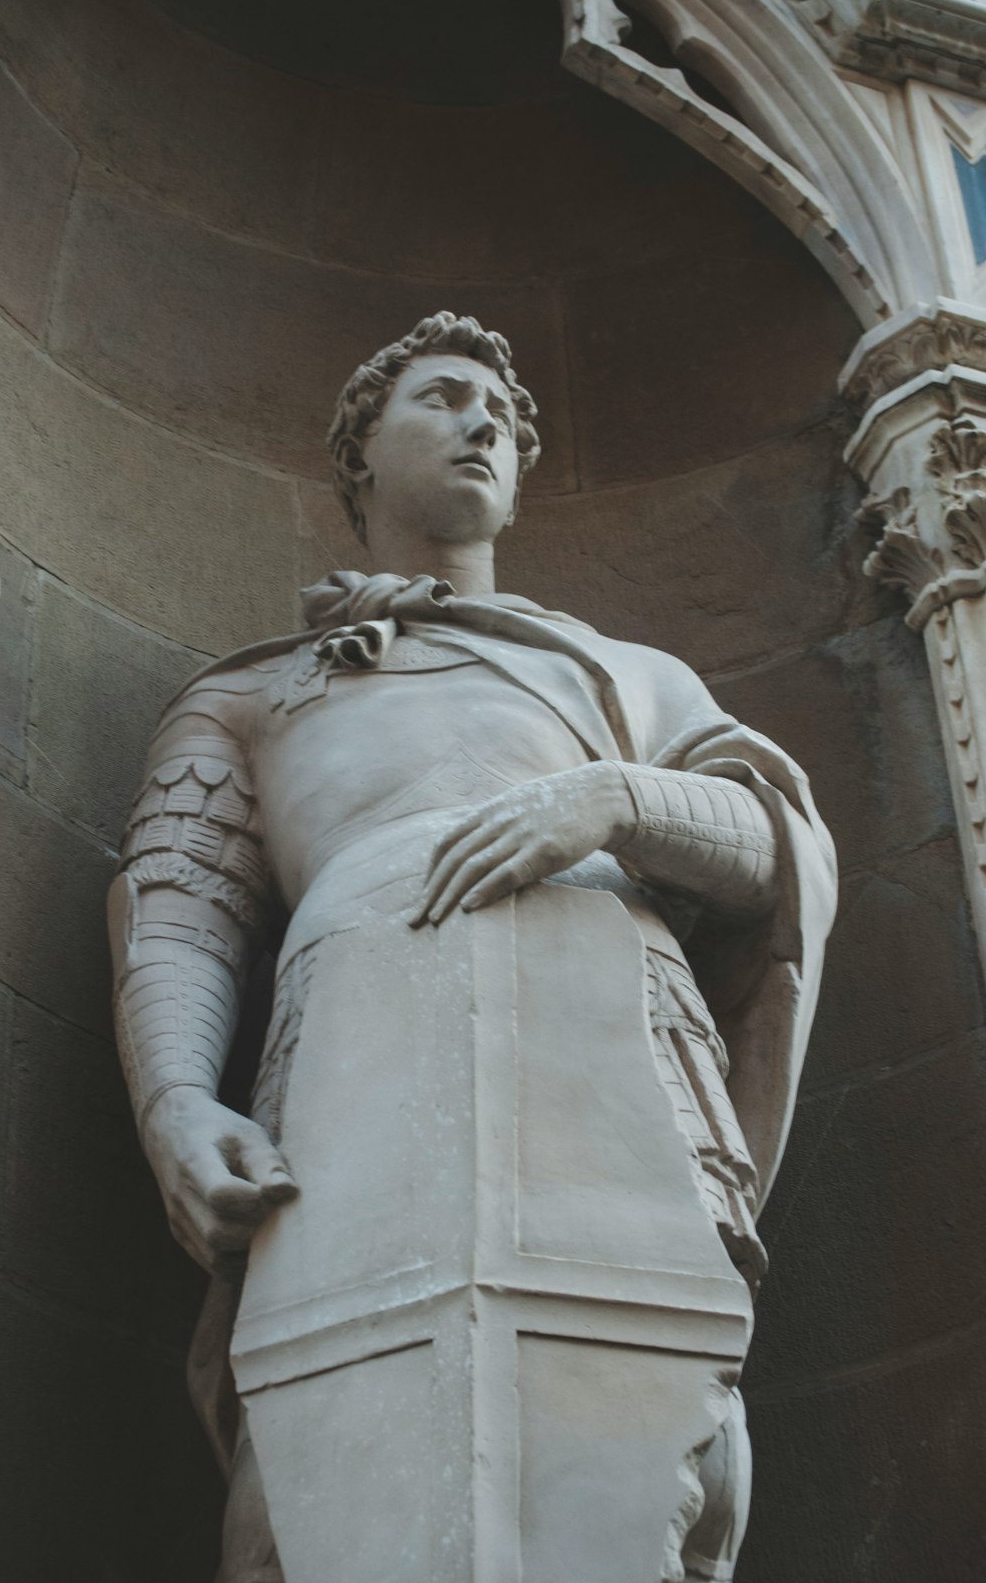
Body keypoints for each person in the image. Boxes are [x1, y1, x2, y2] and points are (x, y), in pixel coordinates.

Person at [108, 312, 836, 1583]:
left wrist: (614, 802)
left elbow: (780, 852)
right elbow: (181, 911)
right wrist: (172, 1099)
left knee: (658, 1443)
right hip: (351, 1067)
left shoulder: (629, 679)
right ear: (360, 456)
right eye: (442, 399)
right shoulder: (247, 697)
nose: (483, 421)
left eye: (499, 410)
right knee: (318, 1471)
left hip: (619, 1052)